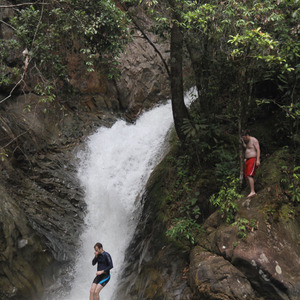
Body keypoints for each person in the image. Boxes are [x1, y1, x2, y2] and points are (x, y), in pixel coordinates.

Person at [242, 130, 260, 198]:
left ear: (247, 135)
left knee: (250, 175)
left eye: (244, 137)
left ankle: (253, 191)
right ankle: (250, 190)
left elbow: (258, 149)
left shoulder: (254, 140)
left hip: (253, 159)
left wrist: (257, 160)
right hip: (247, 160)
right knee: (246, 176)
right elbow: (248, 148)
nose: (244, 139)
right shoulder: (247, 141)